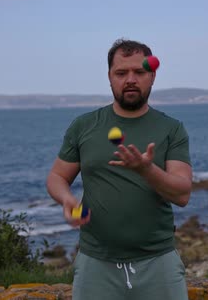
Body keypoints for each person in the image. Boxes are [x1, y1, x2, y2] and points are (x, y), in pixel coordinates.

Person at [46, 38, 193, 300]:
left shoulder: (172, 129)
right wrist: (67, 199)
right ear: (110, 77)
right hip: (95, 263)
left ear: (152, 76)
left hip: (158, 262)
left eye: (139, 72)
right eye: (121, 73)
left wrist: (147, 170)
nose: (131, 79)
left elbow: (182, 194)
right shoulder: (84, 126)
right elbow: (57, 176)